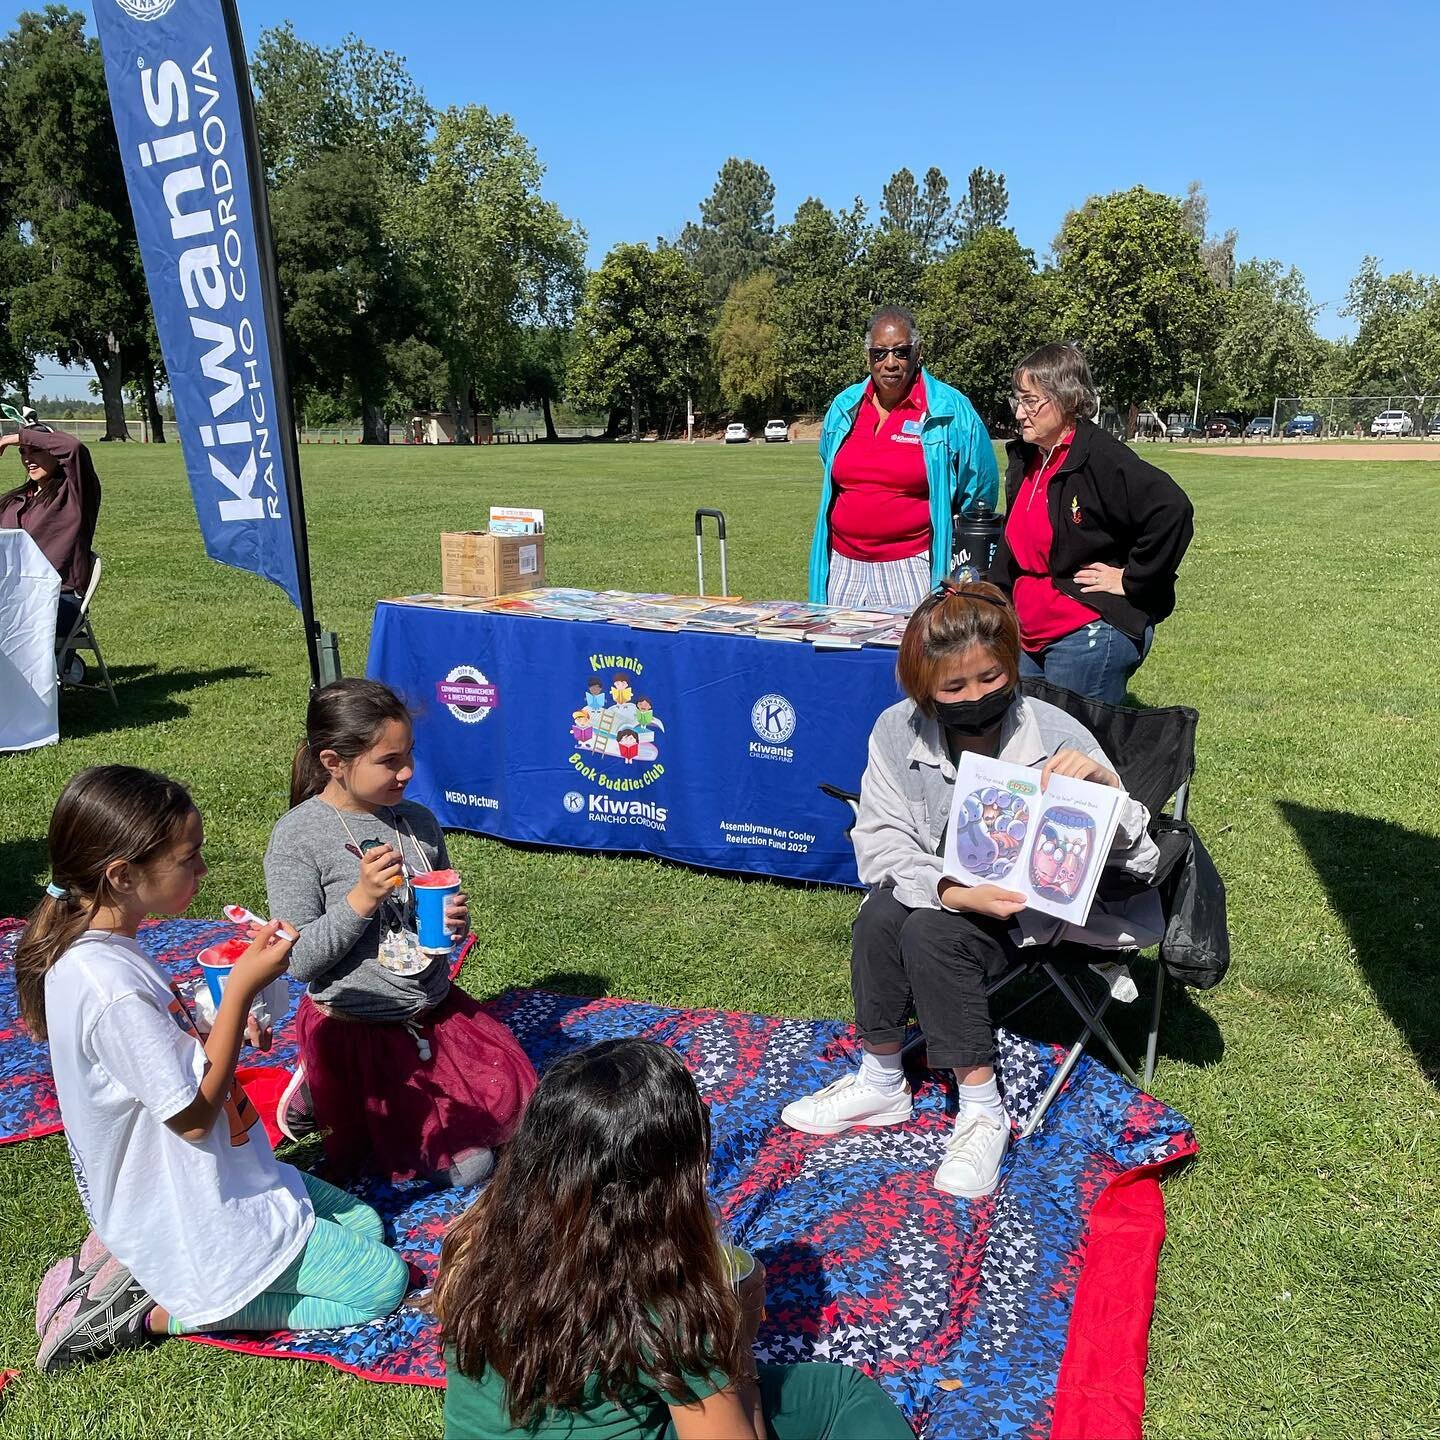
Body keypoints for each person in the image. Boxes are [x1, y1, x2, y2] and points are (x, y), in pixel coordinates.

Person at [16, 765, 408, 1373]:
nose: (202, 871)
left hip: (224, 1170)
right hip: (192, 1200)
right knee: (380, 1283)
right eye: (189, 858)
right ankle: (149, 1311)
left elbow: (155, 1065)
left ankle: (144, 1266)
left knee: (362, 1222)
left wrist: (218, 1021)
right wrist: (237, 994)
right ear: (121, 875)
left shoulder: (109, 946)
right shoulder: (106, 985)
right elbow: (194, 1119)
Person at [780, 583, 1158, 1199]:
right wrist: (953, 889)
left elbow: (1136, 852)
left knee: (928, 932)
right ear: (922, 688)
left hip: (1042, 913)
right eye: (953, 688)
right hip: (952, 892)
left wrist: (1103, 785)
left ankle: (984, 1110)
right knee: (880, 915)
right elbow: (879, 845)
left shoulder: (1056, 731)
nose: (975, 698)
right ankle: (880, 1078)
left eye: (990, 678)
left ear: (1011, 668)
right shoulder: (896, 732)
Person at [435, 1037, 914, 1440]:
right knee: (842, 1393)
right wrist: (733, 1337)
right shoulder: (664, 1298)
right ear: (668, 1183)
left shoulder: (474, 1243)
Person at [264, 678, 536, 1187]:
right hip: (357, 1025)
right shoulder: (298, 837)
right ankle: (318, 1091)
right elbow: (299, 961)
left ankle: (337, 1095)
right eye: (389, 761)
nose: (407, 772)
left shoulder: (417, 822)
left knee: (521, 1113)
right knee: (469, 1168)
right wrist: (361, 899)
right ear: (333, 762)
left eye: (409, 754)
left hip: (433, 1012)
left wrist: (455, 921)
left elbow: (440, 916)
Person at [987, 344, 1193, 704]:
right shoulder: (1029, 457)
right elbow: (1014, 540)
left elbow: (1171, 509)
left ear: (1065, 399)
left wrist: (1132, 580)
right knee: (1027, 745)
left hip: (1084, 630)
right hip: (1027, 628)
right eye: (1017, 400)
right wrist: (991, 595)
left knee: (1075, 752)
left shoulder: (1101, 456)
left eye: (1031, 401)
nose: (1020, 413)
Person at [807, 305, 998, 610]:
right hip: (842, 564)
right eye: (880, 353)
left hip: (913, 566)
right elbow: (830, 465)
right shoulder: (844, 406)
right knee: (837, 654)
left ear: (918, 352)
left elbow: (979, 493)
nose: (890, 363)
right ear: (868, 355)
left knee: (911, 657)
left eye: (901, 352)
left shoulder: (951, 409)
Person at [0, 426, 102, 640]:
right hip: (10, 594)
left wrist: (12, 438)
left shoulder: (76, 492)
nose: (28, 459)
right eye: (23, 452)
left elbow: (73, 447)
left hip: (59, 599)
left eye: (35, 450)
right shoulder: (14, 501)